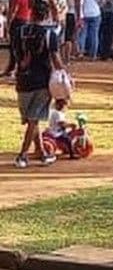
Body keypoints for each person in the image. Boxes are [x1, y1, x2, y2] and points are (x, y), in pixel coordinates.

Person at [13, 14, 63, 167]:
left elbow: (15, 56)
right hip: (42, 82)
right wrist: (64, 74)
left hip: (23, 82)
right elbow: (56, 59)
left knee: (32, 120)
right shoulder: (49, 35)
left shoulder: (19, 33)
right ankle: (22, 155)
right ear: (47, 16)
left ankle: (42, 153)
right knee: (33, 121)